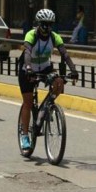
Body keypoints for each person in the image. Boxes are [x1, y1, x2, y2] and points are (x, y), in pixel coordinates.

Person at [18, 9, 78, 151]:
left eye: (49, 24)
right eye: (44, 24)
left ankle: (46, 108)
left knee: (59, 82)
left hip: (45, 67)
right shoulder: (31, 35)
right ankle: (25, 135)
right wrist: (28, 67)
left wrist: (73, 69)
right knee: (27, 102)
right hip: (28, 68)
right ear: (39, 24)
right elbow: (27, 52)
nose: (46, 27)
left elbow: (65, 54)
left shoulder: (54, 37)